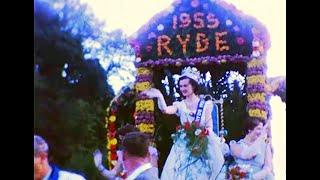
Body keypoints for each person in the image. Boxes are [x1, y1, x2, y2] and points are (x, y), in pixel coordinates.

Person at [142, 66, 225, 180]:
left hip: (203, 142)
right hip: (184, 145)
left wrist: (202, 136)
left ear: (193, 86)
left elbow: (209, 126)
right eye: (181, 86)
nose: (182, 88)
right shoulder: (180, 105)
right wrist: (159, 96)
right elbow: (165, 110)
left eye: (185, 85)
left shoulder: (205, 105)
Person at [93, 124, 158, 179]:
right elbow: (113, 174)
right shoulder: (123, 156)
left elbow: (154, 173)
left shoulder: (151, 153)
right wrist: (99, 166)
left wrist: (99, 166)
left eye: (121, 138)